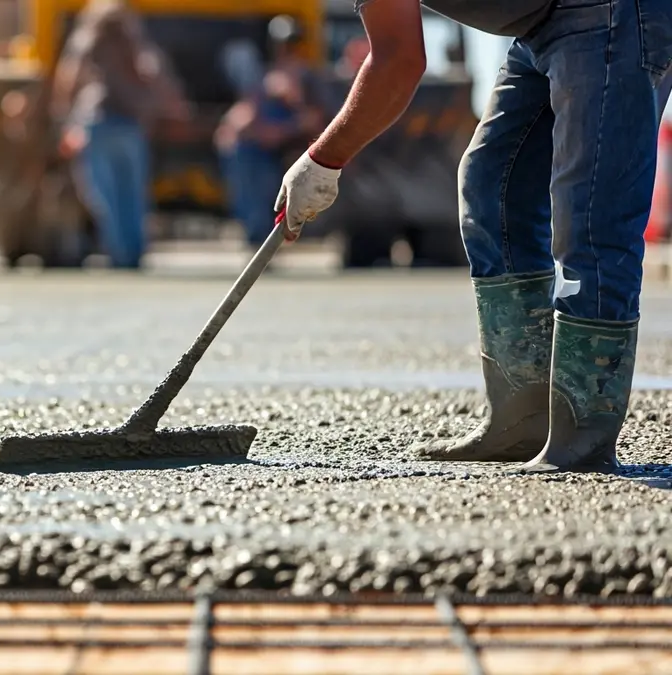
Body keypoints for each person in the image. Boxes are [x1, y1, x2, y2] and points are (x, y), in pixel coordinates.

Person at [276, 0, 672, 472]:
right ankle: (521, 420)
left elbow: (399, 60)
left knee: (590, 213)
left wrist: (323, 159)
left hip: (613, 12)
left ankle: (582, 435)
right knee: (492, 183)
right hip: (540, 24)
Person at [50, 0, 190, 269]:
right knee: (133, 194)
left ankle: (120, 254)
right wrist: (174, 106)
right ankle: (134, 253)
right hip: (129, 125)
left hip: (98, 124)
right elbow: (157, 75)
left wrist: (66, 124)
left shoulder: (86, 42)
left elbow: (68, 81)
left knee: (106, 196)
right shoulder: (135, 44)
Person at [215, 18, 328, 250]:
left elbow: (315, 121)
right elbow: (245, 114)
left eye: (292, 45)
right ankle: (257, 233)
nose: (287, 51)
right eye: (283, 45)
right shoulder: (267, 76)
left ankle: (269, 231)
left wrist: (289, 115)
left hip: (300, 149)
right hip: (263, 147)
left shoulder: (310, 77)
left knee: (268, 174)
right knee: (238, 149)